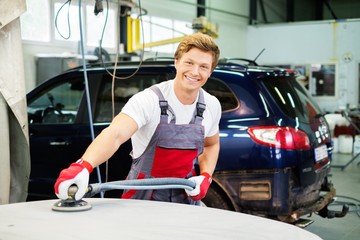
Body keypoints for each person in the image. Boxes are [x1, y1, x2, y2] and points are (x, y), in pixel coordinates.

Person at [54, 32, 221, 205]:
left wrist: (206, 176)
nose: (195, 72)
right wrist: (83, 166)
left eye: (203, 66)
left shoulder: (211, 105)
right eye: (189, 62)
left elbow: (211, 144)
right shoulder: (149, 99)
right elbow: (116, 133)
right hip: (142, 195)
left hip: (185, 194)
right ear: (177, 62)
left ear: (210, 71)